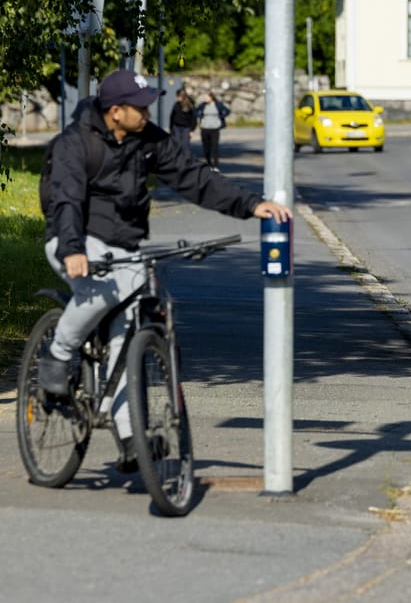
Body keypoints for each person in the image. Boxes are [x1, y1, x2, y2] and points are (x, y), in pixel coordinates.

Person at [39, 69, 291, 472]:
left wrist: (250, 205)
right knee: (99, 292)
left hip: (124, 245)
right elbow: (66, 199)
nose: (147, 112)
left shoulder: (149, 141)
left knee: (127, 334)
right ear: (115, 111)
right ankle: (59, 352)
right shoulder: (75, 143)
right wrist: (72, 249)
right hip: (74, 239)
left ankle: (129, 438)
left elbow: (194, 178)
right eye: (139, 107)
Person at [195, 91, 230, 170]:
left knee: (215, 147)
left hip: (214, 129)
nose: (205, 99)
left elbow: (227, 111)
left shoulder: (218, 105)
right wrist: (200, 116)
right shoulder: (203, 105)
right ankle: (209, 163)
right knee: (206, 148)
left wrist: (221, 117)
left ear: (211, 97)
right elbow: (195, 111)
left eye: (206, 97)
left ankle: (216, 165)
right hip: (205, 128)